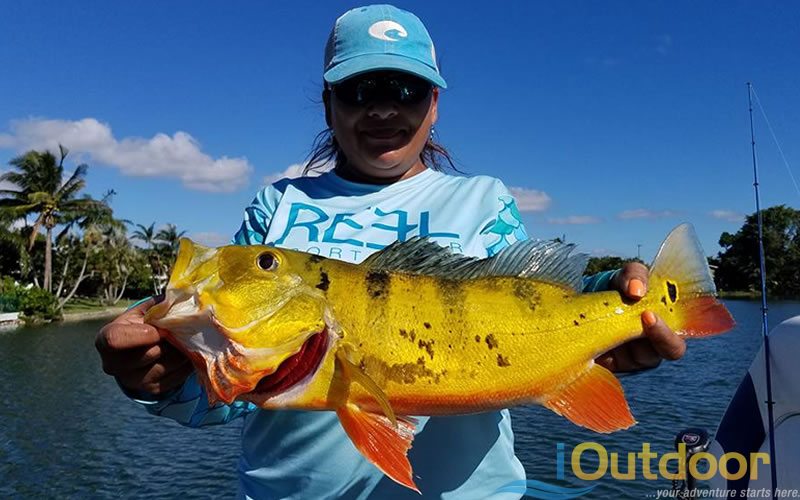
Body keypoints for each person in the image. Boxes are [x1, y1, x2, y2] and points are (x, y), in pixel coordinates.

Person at [95, 4, 686, 499]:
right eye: (358, 91)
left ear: (433, 105)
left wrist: (620, 292)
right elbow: (236, 390)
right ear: (329, 106)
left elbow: (533, 294)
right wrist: (166, 381)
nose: (382, 109)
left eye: (404, 90)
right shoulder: (277, 207)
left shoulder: (483, 199)